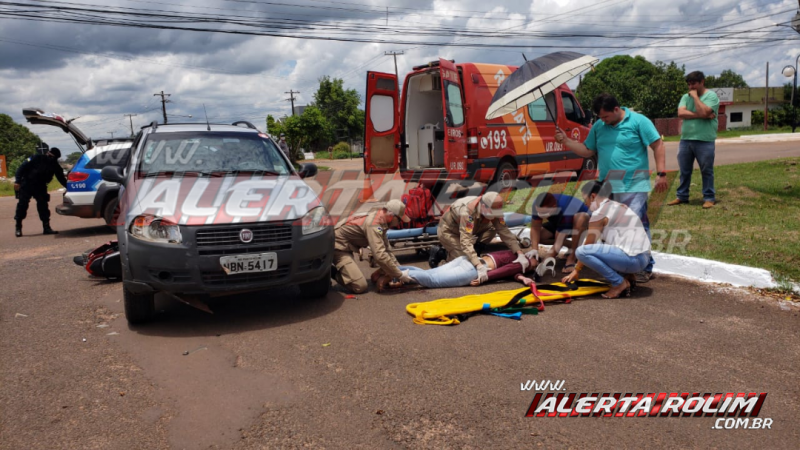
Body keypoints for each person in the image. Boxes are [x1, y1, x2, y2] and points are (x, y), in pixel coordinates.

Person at [555, 93, 667, 282]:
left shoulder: (639, 121)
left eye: (606, 116)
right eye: (600, 117)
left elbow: (658, 145)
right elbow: (587, 150)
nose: (603, 121)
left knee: (636, 223)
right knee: (612, 226)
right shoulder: (599, 126)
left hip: (634, 184)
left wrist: (661, 173)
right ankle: (622, 263)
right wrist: (566, 141)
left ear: (617, 109)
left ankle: (645, 266)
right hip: (607, 186)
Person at [562, 180, 651, 299]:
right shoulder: (617, 206)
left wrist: (577, 270)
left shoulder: (599, 213)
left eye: (586, 199)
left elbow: (588, 245)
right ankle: (628, 276)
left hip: (633, 261)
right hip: (644, 259)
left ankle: (619, 283)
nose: (586, 204)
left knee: (581, 252)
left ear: (593, 196)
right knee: (601, 245)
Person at [433, 191, 529, 282]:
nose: (494, 215)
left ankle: (477, 249)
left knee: (492, 227)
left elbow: (504, 230)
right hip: (449, 230)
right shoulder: (467, 212)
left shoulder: (494, 208)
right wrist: (478, 264)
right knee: (464, 260)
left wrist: (519, 253)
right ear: (483, 206)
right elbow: (465, 240)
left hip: (473, 226)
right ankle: (441, 254)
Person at [332, 199, 411, 294]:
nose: (399, 223)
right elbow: (379, 255)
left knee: (390, 265)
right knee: (360, 286)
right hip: (338, 247)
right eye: (399, 220)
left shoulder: (382, 221)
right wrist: (399, 275)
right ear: (391, 216)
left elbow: (387, 250)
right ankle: (331, 272)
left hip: (348, 245)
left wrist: (400, 269)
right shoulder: (374, 225)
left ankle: (379, 273)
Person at [670, 71, 719, 209]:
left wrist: (696, 98)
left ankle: (709, 197)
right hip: (686, 139)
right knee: (684, 170)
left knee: (706, 170)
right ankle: (682, 196)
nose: (691, 87)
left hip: (705, 140)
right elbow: (681, 113)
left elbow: (704, 112)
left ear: (702, 82)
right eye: (689, 84)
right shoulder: (685, 97)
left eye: (694, 84)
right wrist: (702, 115)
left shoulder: (711, 96)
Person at [397, 250, 539, 289]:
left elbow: (511, 270)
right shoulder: (523, 263)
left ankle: (393, 270)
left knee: (428, 274)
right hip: (473, 271)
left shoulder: (514, 254)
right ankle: (397, 274)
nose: (535, 264)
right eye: (536, 262)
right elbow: (505, 271)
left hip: (467, 260)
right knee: (432, 280)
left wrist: (521, 277)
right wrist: (484, 278)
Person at [529, 192, 590, 274]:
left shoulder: (566, 208)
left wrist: (543, 263)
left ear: (554, 207)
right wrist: (534, 250)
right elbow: (535, 228)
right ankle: (572, 244)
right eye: (539, 213)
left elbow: (558, 244)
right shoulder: (537, 204)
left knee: (581, 217)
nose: (541, 216)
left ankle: (572, 256)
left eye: (544, 213)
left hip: (580, 224)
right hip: (558, 221)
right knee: (539, 237)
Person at [14, 147, 67, 237]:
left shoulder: (54, 165)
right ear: (48, 153)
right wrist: (17, 181)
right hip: (27, 184)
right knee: (22, 205)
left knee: (43, 206)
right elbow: (21, 168)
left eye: (52, 157)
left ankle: (46, 228)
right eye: (49, 155)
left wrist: (69, 187)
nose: (50, 157)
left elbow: (61, 178)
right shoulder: (36, 157)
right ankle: (18, 227)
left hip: (40, 186)